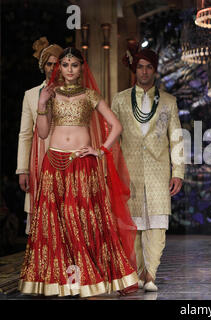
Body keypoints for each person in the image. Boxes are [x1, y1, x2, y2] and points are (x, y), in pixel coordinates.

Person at [18, 47, 139, 297]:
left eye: (74, 65)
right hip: (54, 163)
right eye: (65, 65)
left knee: (82, 220)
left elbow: (115, 126)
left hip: (82, 164)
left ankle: (88, 281)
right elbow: (41, 133)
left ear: (81, 68)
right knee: (57, 224)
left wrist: (100, 150)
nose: (69, 70)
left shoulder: (90, 95)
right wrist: (41, 103)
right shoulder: (51, 96)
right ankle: (62, 282)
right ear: (59, 68)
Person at [112, 46, 184, 292]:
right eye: (140, 66)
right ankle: (138, 271)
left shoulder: (167, 101)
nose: (144, 71)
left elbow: (176, 138)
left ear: (154, 70)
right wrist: (111, 171)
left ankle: (151, 273)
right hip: (128, 169)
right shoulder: (120, 100)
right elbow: (113, 138)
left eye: (149, 67)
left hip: (158, 169)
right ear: (135, 69)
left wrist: (178, 173)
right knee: (133, 225)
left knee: (156, 223)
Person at [16, 37, 63, 234]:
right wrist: (22, 169)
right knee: (42, 219)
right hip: (40, 158)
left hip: (66, 157)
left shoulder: (73, 93)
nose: (53, 68)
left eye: (57, 64)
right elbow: (25, 134)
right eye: (49, 64)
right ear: (43, 67)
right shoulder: (31, 94)